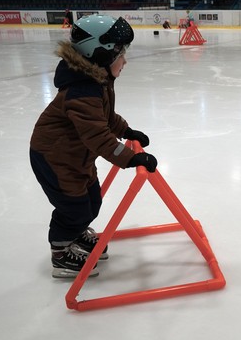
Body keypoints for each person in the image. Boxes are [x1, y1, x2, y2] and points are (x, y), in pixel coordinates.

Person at [30, 14, 158, 278]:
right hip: (55, 158)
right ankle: (61, 252)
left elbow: (105, 118)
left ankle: (75, 234)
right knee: (74, 207)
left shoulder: (97, 81)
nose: (125, 61)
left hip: (77, 156)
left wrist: (126, 131)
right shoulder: (82, 90)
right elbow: (97, 135)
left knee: (92, 201)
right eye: (121, 55)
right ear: (100, 54)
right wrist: (131, 158)